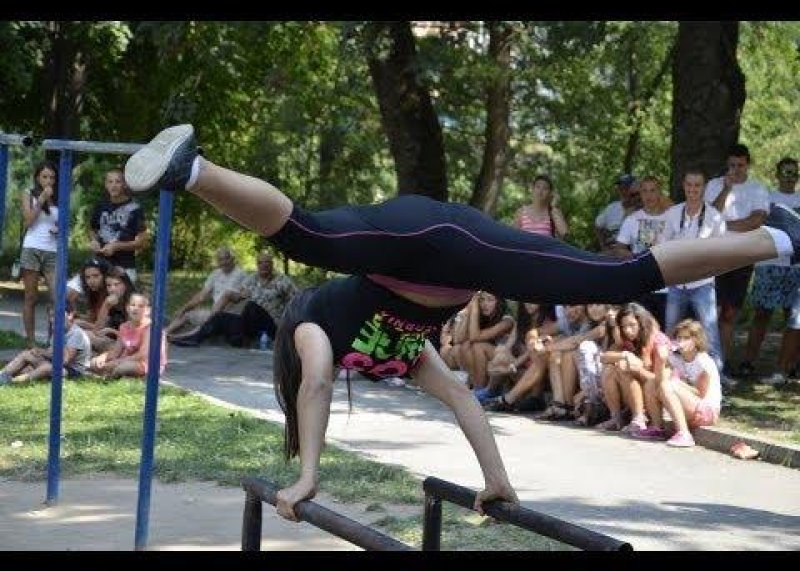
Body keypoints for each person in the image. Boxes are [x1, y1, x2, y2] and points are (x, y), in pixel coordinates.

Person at [124, 124, 800, 521]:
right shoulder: (402, 351)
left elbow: (317, 384)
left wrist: (307, 474)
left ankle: (192, 168)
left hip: (423, 235)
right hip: (449, 261)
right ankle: (779, 241)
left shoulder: (313, 324)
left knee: (305, 234)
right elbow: (461, 403)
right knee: (617, 279)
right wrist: (498, 477)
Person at [704, 143, 770, 376]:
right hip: (716, 252)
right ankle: (707, 363)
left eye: (740, 165)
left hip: (743, 254)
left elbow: (756, 221)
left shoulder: (758, 189)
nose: (736, 169)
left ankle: (723, 362)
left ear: (748, 164)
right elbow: (709, 214)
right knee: (711, 309)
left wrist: (723, 225)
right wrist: (726, 189)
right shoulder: (714, 185)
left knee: (730, 312)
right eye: (732, 165)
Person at [171, 250, 298, 348]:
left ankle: (238, 336)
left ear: (272, 264)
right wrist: (229, 296)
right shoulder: (251, 279)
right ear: (257, 264)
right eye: (260, 263)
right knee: (221, 316)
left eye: (267, 262)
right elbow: (238, 296)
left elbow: (297, 301)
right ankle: (195, 339)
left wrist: (290, 326)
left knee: (251, 306)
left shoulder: (283, 281)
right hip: (250, 322)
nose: (264, 265)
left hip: (271, 325)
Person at [164, 246, 247, 340]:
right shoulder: (215, 274)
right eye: (220, 259)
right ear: (217, 261)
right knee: (186, 314)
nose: (224, 262)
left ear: (233, 259)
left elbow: (241, 297)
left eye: (226, 258)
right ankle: (163, 334)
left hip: (230, 318)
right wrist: (183, 309)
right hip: (213, 314)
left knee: (227, 294)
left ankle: (194, 334)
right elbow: (201, 297)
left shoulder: (241, 274)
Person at [0, 301, 91, 386]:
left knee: (47, 368)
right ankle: (3, 374)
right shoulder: (57, 330)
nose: (53, 319)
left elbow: (65, 361)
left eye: (57, 315)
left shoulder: (76, 334)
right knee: (27, 354)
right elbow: (51, 352)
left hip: (72, 371)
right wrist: (40, 352)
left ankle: (16, 381)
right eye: (51, 316)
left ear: (70, 315)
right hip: (57, 364)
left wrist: (45, 351)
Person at [20, 160, 60, 348]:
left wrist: (59, 231)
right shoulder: (29, 193)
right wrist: (42, 198)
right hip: (32, 248)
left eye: (52, 177)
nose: (49, 180)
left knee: (56, 296)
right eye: (45, 176)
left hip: (53, 251)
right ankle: (31, 342)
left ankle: (53, 340)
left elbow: (61, 225)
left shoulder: (60, 197)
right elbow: (28, 221)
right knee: (31, 297)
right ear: (37, 177)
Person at [90, 292, 167, 379]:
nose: (135, 309)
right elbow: (116, 351)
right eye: (133, 305)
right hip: (127, 359)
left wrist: (117, 362)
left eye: (140, 306)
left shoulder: (151, 328)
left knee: (122, 368)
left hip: (146, 363)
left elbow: (142, 355)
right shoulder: (124, 326)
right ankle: (114, 375)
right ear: (127, 308)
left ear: (148, 310)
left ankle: (111, 378)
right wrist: (103, 357)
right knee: (94, 363)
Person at [514, 174, 568, 239]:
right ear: (533, 189)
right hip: (524, 249)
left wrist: (554, 206)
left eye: (545, 188)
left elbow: (564, 233)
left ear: (550, 193)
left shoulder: (553, 212)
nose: (540, 191)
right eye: (538, 187)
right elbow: (514, 237)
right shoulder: (521, 211)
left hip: (546, 249)